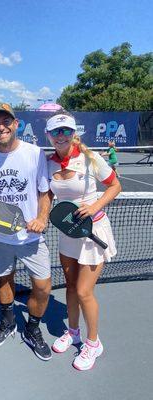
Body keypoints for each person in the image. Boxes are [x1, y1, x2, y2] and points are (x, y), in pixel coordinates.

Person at [46, 111, 121, 370]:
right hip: (68, 232)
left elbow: (115, 186)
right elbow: (45, 196)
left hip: (93, 232)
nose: (61, 136)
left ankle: (93, 343)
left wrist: (94, 205)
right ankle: (74, 331)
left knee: (83, 291)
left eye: (66, 131)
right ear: (49, 136)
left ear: (73, 133)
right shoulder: (48, 163)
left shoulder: (91, 159)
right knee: (69, 286)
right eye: (56, 132)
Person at [0, 102, 52, 361]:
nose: (1, 127)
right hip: (0, 238)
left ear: (16, 124)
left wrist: (42, 217)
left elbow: (44, 192)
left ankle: (32, 328)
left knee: (42, 288)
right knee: (4, 281)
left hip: (32, 237)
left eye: (6, 122)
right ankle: (8, 321)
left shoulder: (34, 153)